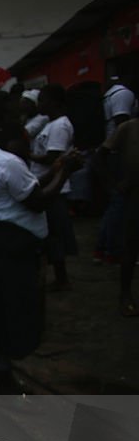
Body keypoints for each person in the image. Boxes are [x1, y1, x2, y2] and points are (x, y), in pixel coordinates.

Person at [0, 91, 81, 393]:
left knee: (3, 314)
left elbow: (29, 189)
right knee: (7, 315)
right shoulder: (6, 162)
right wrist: (66, 172)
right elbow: (37, 200)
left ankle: (4, 376)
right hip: (9, 251)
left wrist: (57, 169)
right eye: (11, 115)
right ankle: (4, 383)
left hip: (5, 248)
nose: (19, 121)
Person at [30, 84, 77, 290]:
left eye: (42, 100)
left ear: (54, 103)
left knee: (55, 233)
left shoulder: (59, 126)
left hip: (55, 185)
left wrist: (25, 154)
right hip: (48, 182)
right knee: (52, 233)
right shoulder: (49, 124)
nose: (39, 104)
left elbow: (53, 157)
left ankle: (62, 278)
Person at [96, 116, 139, 316]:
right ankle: (125, 295)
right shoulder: (128, 127)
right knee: (130, 245)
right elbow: (101, 156)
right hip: (134, 195)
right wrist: (112, 184)